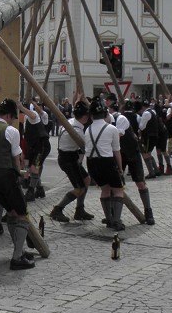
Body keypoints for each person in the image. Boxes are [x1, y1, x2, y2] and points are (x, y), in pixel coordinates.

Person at [0, 99, 37, 270]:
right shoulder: (11, 131)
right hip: (5, 175)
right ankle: (17, 257)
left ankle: (19, 250)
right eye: (12, 118)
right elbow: (16, 159)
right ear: (9, 116)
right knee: (22, 214)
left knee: (11, 212)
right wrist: (19, 177)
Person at [49, 99, 94, 223]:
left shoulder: (70, 122)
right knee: (79, 189)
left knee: (86, 179)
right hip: (68, 159)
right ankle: (57, 209)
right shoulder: (77, 131)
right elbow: (86, 148)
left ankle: (80, 209)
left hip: (70, 157)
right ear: (85, 117)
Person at [85, 97, 126, 230]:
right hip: (106, 161)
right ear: (105, 114)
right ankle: (117, 221)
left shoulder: (88, 129)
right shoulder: (112, 129)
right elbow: (116, 151)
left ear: (91, 116)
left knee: (105, 189)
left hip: (91, 162)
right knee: (118, 191)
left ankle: (108, 219)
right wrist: (120, 168)